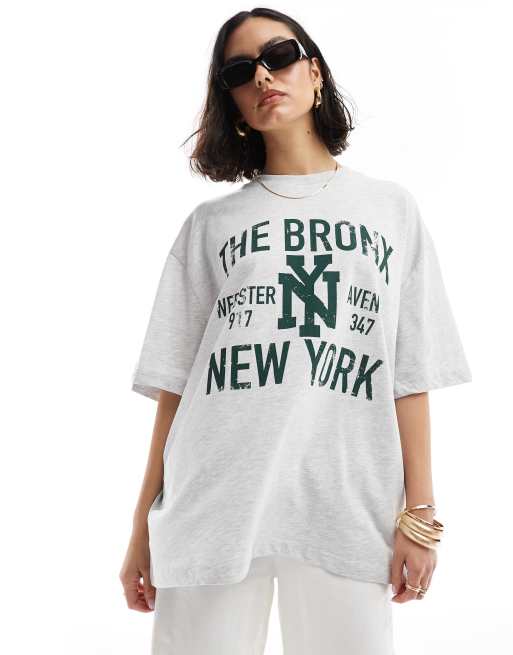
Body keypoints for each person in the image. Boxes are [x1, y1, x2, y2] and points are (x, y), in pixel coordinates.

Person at [119, 8, 472, 655]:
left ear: (314, 72)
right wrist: (142, 527)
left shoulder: (390, 210)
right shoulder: (209, 227)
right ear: (230, 100)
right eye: (238, 71)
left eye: (277, 56)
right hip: (211, 504)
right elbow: (174, 387)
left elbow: (410, 372)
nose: (261, 76)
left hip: (346, 503)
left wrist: (419, 516)